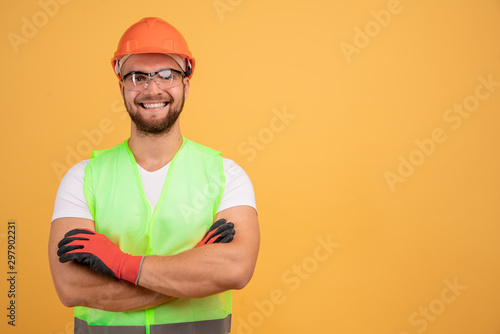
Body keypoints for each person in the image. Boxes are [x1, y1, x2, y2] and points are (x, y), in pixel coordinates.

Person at [48, 17, 260, 334]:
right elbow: (72, 287)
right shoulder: (82, 178)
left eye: (166, 75)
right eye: (138, 77)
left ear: (185, 85)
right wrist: (192, 272)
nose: (152, 88)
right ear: (122, 86)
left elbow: (235, 268)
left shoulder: (227, 176)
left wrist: (119, 264)